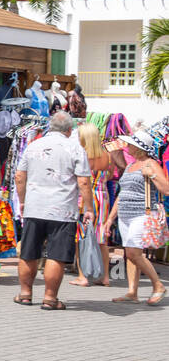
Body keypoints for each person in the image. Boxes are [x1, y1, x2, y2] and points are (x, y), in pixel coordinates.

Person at [13, 111, 94, 311]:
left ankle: (25, 294)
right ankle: (49, 298)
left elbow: (19, 177)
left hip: (34, 207)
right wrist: (89, 208)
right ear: (69, 130)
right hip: (63, 210)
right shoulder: (75, 148)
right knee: (56, 255)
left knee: (28, 252)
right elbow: (83, 181)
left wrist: (22, 202)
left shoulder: (32, 146)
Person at [108, 130, 168, 305]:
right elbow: (123, 193)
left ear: (139, 148)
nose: (127, 146)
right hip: (126, 216)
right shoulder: (130, 166)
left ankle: (158, 286)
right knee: (131, 253)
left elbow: (166, 189)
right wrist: (111, 218)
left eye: (130, 144)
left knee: (134, 253)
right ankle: (132, 292)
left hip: (142, 213)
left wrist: (153, 175)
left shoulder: (150, 164)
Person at [72, 122, 114, 287]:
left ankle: (83, 275)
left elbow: (81, 180)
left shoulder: (83, 155)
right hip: (102, 196)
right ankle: (105, 277)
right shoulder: (107, 155)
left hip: (86, 197)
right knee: (101, 237)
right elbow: (110, 175)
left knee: (81, 235)